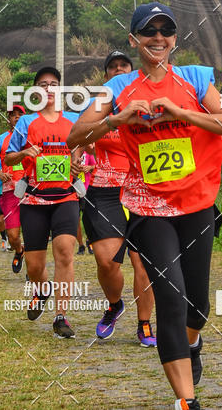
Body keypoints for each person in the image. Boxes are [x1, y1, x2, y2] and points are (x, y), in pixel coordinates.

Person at [68, 3, 222, 410]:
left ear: (175, 39)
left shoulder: (196, 80)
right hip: (148, 209)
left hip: (197, 205)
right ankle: (187, 402)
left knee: (197, 308)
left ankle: (193, 342)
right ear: (134, 40)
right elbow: (77, 134)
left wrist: (183, 112)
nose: (158, 37)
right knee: (171, 297)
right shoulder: (116, 90)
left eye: (166, 30)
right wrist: (119, 119)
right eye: (149, 31)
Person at [81, 49, 157, 346]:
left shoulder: (146, 103)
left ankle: (145, 324)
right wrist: (76, 157)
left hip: (140, 189)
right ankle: (114, 305)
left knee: (144, 263)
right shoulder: (97, 108)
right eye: (112, 67)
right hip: (103, 191)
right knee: (106, 261)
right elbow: (79, 136)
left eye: (123, 65)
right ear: (106, 76)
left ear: (132, 71)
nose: (118, 70)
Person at [5, 66, 84, 339]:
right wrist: (25, 151)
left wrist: (79, 164)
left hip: (65, 197)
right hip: (34, 201)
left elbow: (85, 151)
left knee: (64, 251)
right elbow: (9, 159)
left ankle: (61, 317)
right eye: (43, 84)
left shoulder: (74, 120)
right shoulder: (26, 123)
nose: (49, 88)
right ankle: (43, 289)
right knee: (35, 267)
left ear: (60, 89)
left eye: (53, 84)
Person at [0, 104, 26, 272]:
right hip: (9, 192)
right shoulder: (0, 140)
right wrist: (0, 174)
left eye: (19, 115)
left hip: (31, 191)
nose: (16, 117)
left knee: (32, 231)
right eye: (13, 115)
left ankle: (33, 270)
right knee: (13, 235)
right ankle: (19, 250)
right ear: (8, 119)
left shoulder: (32, 137)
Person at [76, 150, 96, 256]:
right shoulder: (69, 150)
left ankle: (90, 241)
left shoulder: (87, 151)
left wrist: (89, 168)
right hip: (72, 190)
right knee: (76, 219)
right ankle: (80, 245)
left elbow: (95, 166)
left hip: (85, 189)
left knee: (88, 218)